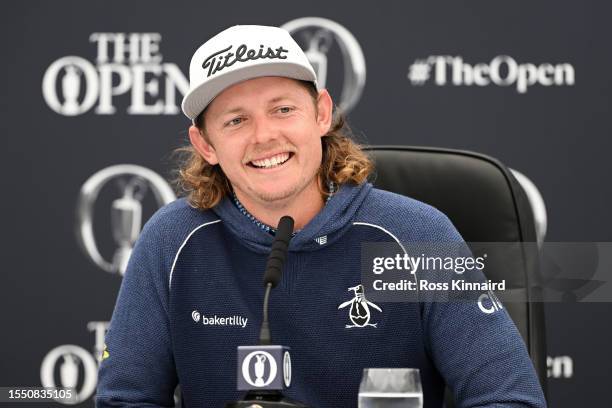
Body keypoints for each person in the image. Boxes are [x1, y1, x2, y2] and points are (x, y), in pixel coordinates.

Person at [96, 25, 546, 407]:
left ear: (322, 113)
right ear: (206, 145)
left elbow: (509, 397)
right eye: (235, 120)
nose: (264, 136)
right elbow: (124, 398)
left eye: (283, 109)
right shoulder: (171, 241)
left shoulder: (418, 235)